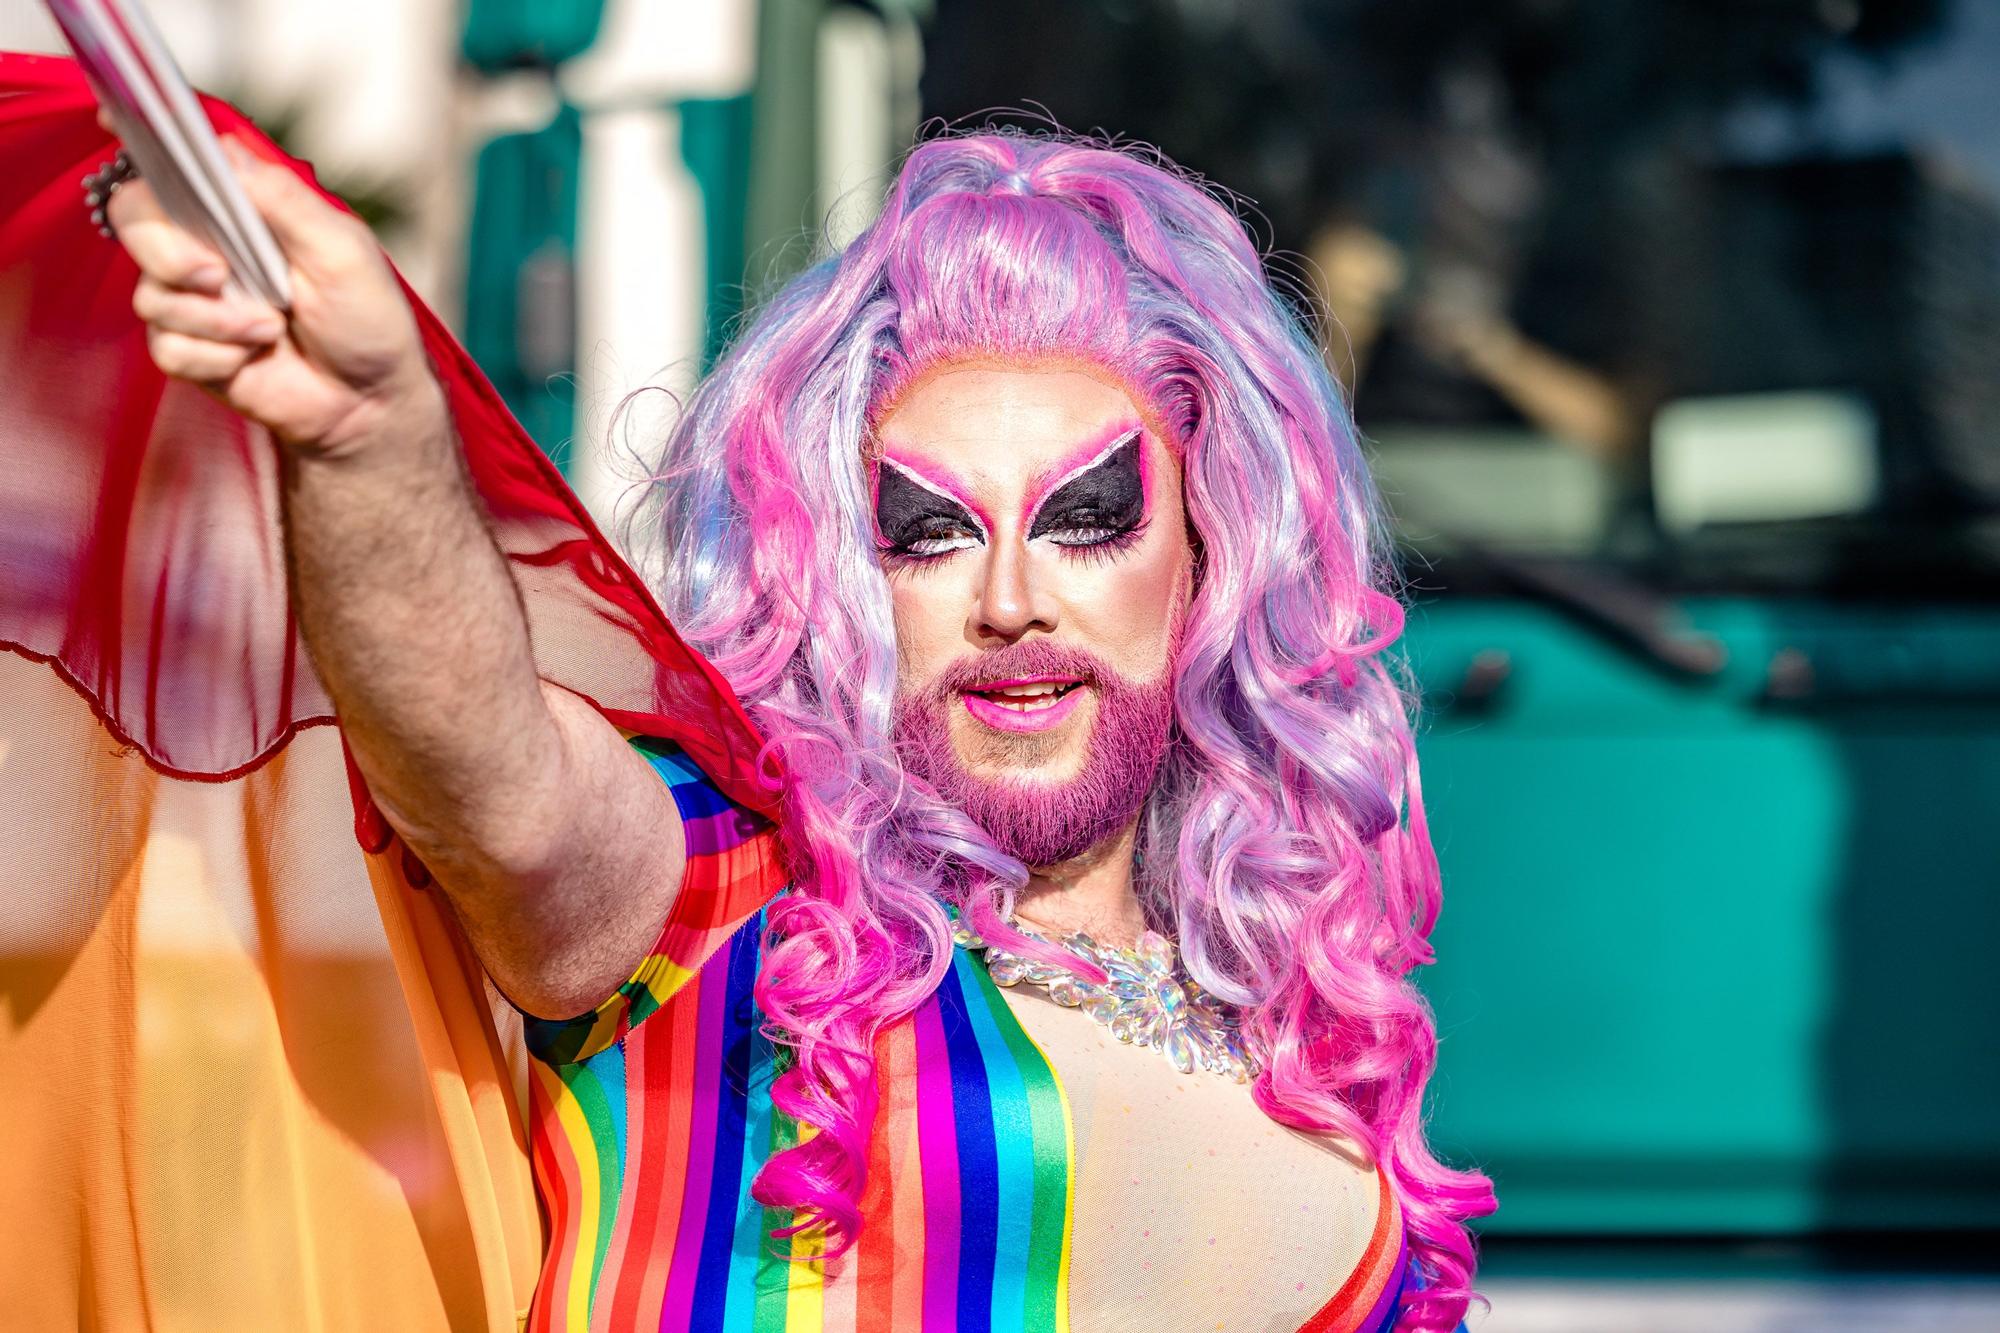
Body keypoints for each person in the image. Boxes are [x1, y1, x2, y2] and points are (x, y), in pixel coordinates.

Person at [0, 53, 1491, 1332]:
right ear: (844, 578)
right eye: (927, 530)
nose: (1012, 599)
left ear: (1209, 556)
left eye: (1088, 517)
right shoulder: (738, 910)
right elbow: (501, 791)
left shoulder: (1318, 1048)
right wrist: (373, 439)